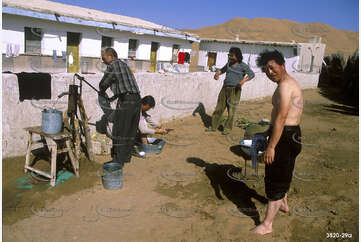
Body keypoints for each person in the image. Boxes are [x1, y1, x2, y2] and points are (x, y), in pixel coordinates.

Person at [251, 49, 303, 235]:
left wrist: (271, 146)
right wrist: (267, 131)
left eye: (272, 68)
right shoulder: (284, 83)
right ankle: (284, 205)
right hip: (287, 134)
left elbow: (281, 118)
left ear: (283, 65)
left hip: (285, 138)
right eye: (266, 70)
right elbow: (279, 118)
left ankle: (267, 225)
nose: (269, 72)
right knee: (283, 173)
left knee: (275, 179)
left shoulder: (285, 86)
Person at [99, 48, 141, 169]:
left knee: (120, 130)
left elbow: (104, 83)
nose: (103, 61)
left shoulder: (113, 65)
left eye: (104, 58)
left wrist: (101, 91)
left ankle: (118, 161)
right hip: (137, 100)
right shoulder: (124, 65)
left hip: (127, 102)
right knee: (130, 130)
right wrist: (112, 98)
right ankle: (126, 157)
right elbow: (124, 86)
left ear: (111, 56)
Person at [206, 47, 255, 135]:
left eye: (231, 55)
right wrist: (217, 73)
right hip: (225, 88)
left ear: (237, 56)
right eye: (229, 55)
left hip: (235, 90)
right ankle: (213, 127)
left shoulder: (243, 65)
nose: (229, 57)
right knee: (219, 108)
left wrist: (243, 81)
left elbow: (252, 74)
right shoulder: (228, 63)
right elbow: (222, 70)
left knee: (231, 110)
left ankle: (227, 128)